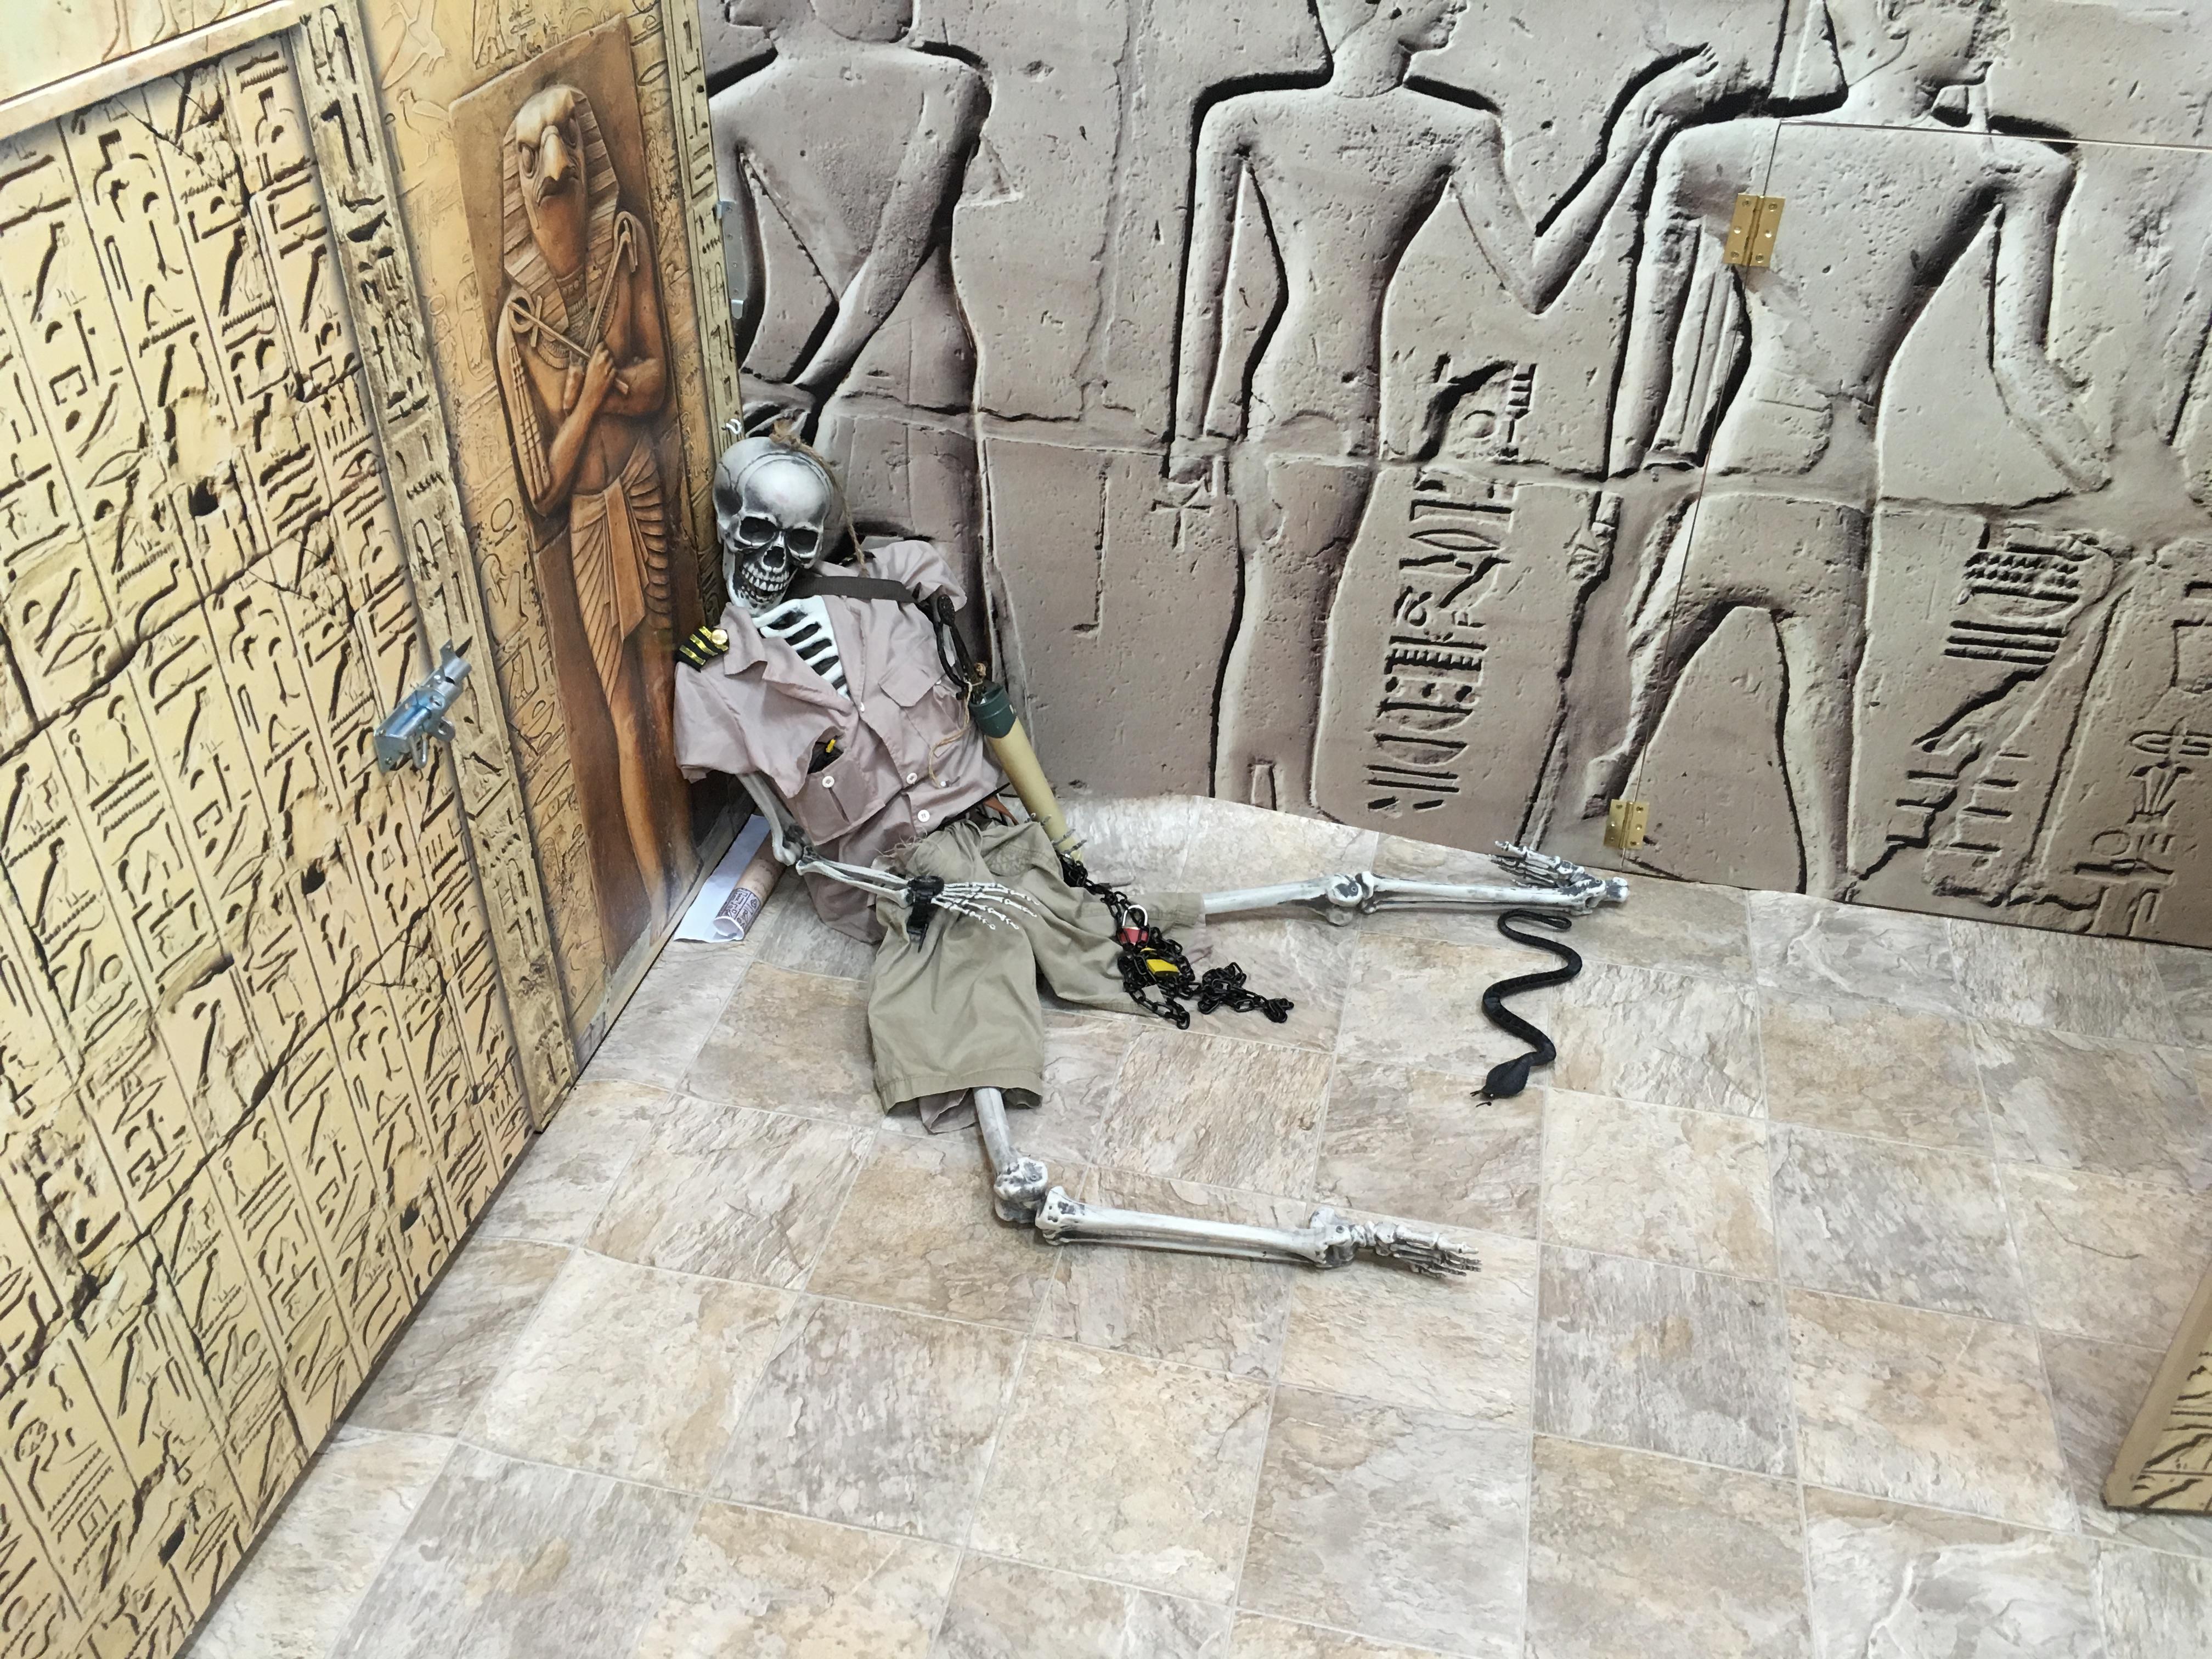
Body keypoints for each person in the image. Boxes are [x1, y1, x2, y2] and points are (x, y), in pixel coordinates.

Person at [1587, 0, 2105, 897]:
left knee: (1665, 684)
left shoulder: (1730, 154)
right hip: (1815, 467)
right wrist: (2100, 475)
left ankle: (1645, 835)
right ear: (1896, 16)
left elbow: (1664, 337)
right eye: (1973, 11)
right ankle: (1809, 878)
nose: (1994, 29)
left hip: (1779, 457)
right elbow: (2019, 366)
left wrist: (1620, 478)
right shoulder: (2005, 167)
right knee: (1791, 694)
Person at [1170, 0, 1716, 811]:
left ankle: (1260, 793)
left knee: (1286, 598)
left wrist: (1199, 428)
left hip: (1288, 387)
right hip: (1333, 395)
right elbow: (1536, 277)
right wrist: (1630, 144)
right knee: (1294, 601)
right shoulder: (1438, 129)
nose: (1457, 7)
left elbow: (1207, 294)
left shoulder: (1260, 118)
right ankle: (1263, 798)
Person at [710, 0, 988, 617]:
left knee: (930, 581)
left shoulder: (947, 83)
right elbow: (742, 293)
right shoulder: (947, 83)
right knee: (919, 580)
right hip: (903, 356)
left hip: (889, 365)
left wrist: (801, 385)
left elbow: (898, 248)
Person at [493, 82, 689, 939]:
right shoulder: (519, 326)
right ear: (520, 188)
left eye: (568, 146)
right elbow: (543, 486)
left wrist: (601, 394)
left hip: (639, 487)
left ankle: (694, 862)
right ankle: (660, 899)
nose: (556, 175)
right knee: (623, 721)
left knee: (664, 693)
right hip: (584, 520)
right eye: (536, 161)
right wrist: (587, 406)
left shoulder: (624, 246)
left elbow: (659, 381)